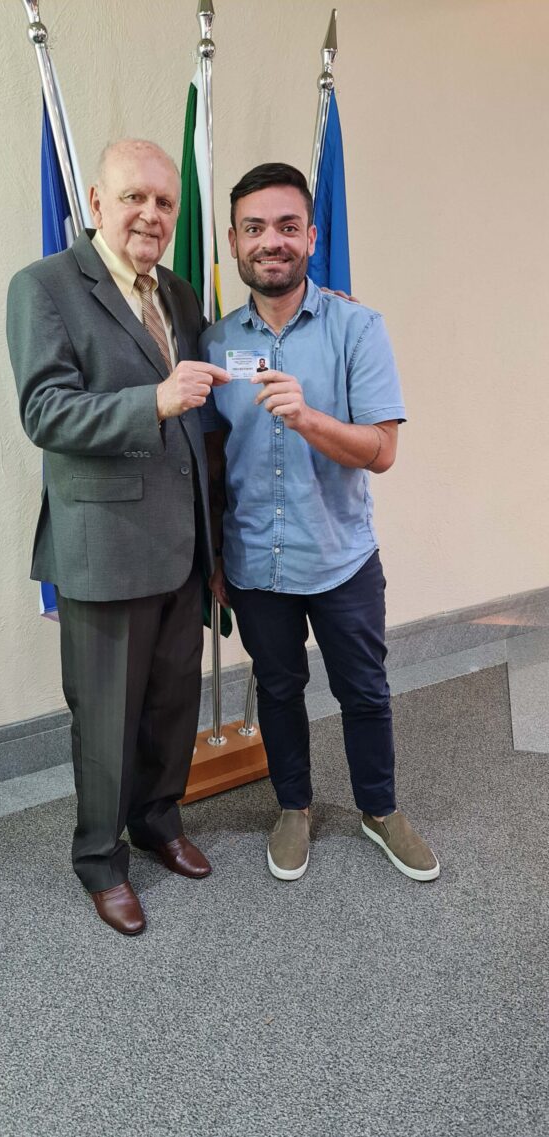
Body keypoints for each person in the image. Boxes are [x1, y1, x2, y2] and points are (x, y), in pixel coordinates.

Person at [6, 139, 230, 935]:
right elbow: (46, 412)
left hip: (182, 541)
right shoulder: (44, 286)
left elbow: (209, 403)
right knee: (105, 721)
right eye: (134, 196)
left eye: (165, 202)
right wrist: (155, 402)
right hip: (103, 546)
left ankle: (159, 822)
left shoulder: (179, 292)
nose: (152, 214)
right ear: (97, 203)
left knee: (171, 705)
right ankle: (101, 861)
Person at [201, 162, 439, 883]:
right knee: (278, 691)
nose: (270, 240)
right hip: (254, 563)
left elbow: (382, 451)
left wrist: (306, 417)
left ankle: (380, 810)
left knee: (364, 691)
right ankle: (293, 807)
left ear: (311, 236)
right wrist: (215, 558)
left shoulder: (358, 327)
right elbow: (211, 459)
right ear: (235, 243)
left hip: (341, 558)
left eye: (286, 225)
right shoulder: (214, 344)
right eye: (253, 228)